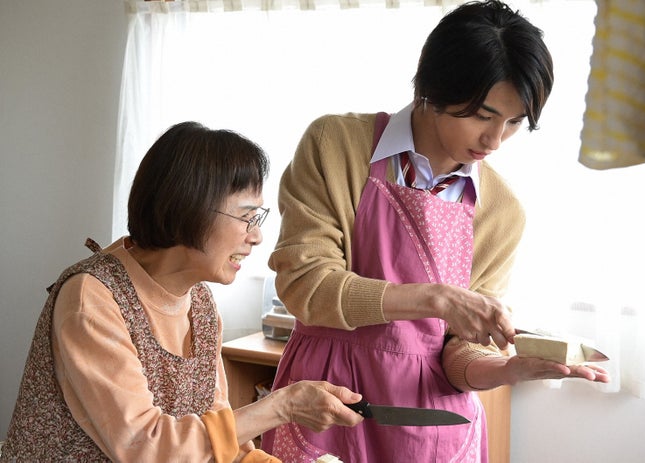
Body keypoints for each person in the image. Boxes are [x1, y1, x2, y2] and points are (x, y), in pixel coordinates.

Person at [261, 1, 610, 462]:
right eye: (483, 115)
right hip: (325, 407)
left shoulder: (501, 211)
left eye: (513, 123)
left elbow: (456, 355)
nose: (494, 140)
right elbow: (306, 286)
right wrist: (435, 299)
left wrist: (506, 368)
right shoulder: (336, 146)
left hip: (431, 431)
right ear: (431, 87)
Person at [0, 122, 363, 463]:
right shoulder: (92, 299)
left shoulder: (201, 304)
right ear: (189, 208)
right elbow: (146, 447)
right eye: (247, 217)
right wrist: (280, 407)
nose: (257, 236)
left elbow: (220, 441)